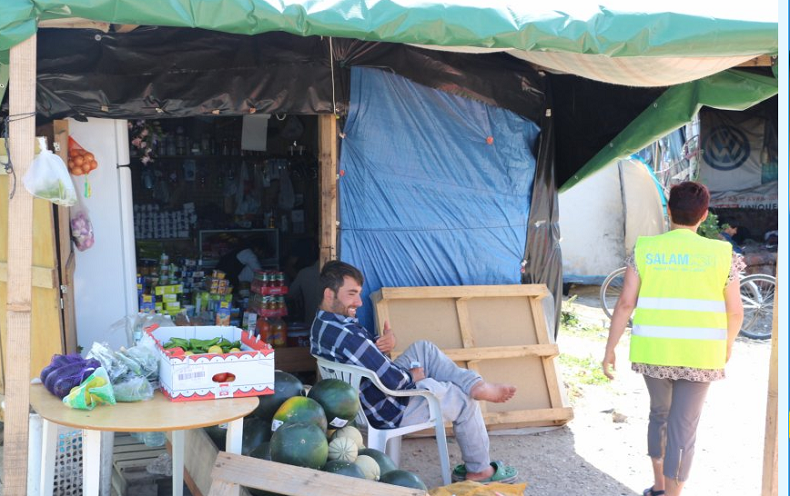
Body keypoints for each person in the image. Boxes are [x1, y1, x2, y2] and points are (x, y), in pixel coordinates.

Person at [311, 260, 519, 484]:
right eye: (351, 294)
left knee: (424, 348)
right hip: (388, 408)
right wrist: (414, 377)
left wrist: (382, 344)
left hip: (365, 398)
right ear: (329, 294)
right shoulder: (348, 336)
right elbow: (392, 381)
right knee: (463, 399)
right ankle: (480, 471)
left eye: (359, 294)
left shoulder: (322, 325)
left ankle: (475, 384)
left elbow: (361, 353)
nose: (359, 302)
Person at [601, 182, 744, 496]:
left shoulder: (645, 249)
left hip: (654, 350)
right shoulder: (722, 254)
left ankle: (659, 486)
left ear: (668, 210)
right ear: (704, 215)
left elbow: (626, 303)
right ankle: (673, 493)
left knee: (659, 415)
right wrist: (728, 344)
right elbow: (735, 313)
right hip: (701, 355)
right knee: (684, 426)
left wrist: (610, 348)